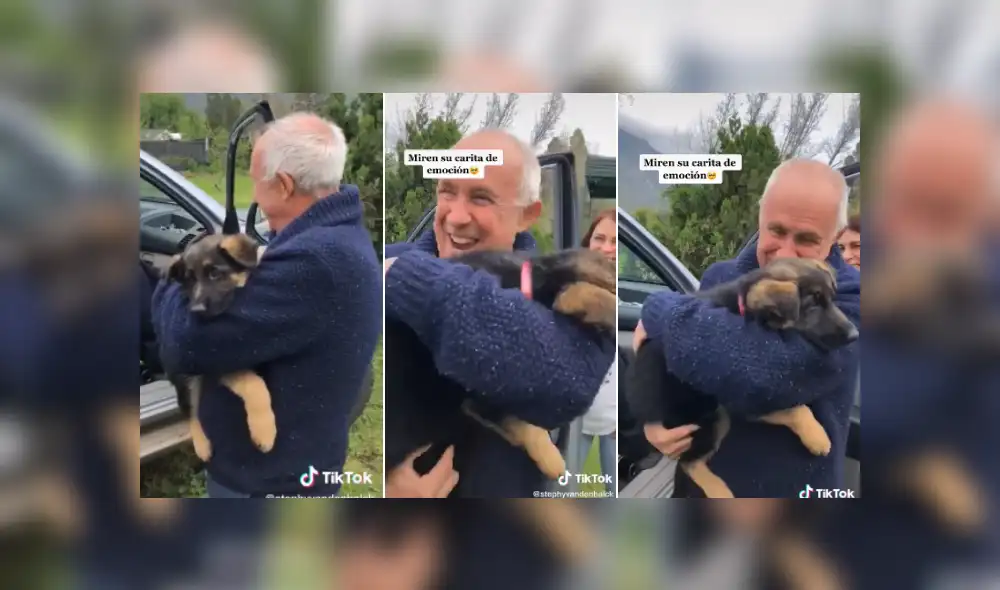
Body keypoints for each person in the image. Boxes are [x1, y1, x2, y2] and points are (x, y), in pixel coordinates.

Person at [151, 112, 381, 497]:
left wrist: (170, 281)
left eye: (257, 181)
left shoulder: (315, 261)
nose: (254, 194)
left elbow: (184, 344)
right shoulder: (337, 238)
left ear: (285, 185)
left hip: (267, 483)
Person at [383, 129, 616, 498]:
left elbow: (565, 383)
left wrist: (404, 276)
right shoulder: (389, 258)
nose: (456, 217)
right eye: (447, 191)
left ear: (527, 215)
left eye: (481, 197)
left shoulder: (573, 289)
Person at [634, 159, 861, 498]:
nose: (785, 254)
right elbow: (678, 366)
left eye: (806, 239)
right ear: (760, 216)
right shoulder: (720, 276)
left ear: (835, 237)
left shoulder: (850, 298)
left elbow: (761, 373)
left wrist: (658, 310)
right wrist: (654, 424)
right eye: (777, 230)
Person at [578, 208, 617, 495]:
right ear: (588, 243)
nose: (606, 248)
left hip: (613, 417)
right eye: (600, 238)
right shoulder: (571, 286)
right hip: (576, 414)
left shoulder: (628, 295)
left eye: (615, 241)